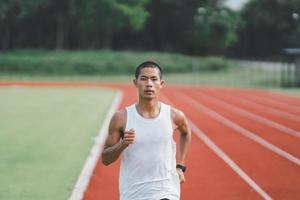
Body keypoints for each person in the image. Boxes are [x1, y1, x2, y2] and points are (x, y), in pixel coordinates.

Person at [102, 61, 191, 200]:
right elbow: (105, 159)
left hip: (166, 190)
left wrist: (180, 166)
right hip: (133, 193)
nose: (149, 83)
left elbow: (185, 132)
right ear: (135, 82)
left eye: (154, 79)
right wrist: (122, 144)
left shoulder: (174, 115)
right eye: (143, 79)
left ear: (161, 84)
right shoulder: (121, 118)